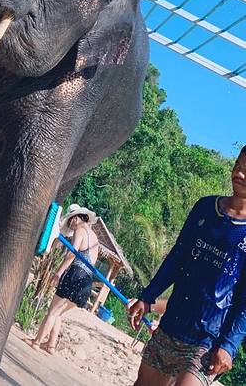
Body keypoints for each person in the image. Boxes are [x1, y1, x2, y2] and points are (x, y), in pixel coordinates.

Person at [128, 146, 246, 386]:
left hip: (209, 340)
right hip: (172, 324)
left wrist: (229, 345)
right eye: (238, 166)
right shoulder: (206, 208)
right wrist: (148, 297)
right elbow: (177, 257)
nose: (239, 174)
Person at [25, 204, 99, 354]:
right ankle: (51, 345)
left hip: (76, 275)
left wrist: (58, 273)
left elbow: (72, 254)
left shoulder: (80, 230)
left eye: (70, 221)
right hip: (86, 282)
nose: (70, 225)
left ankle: (36, 342)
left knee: (52, 311)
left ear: (76, 218)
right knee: (58, 313)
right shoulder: (94, 236)